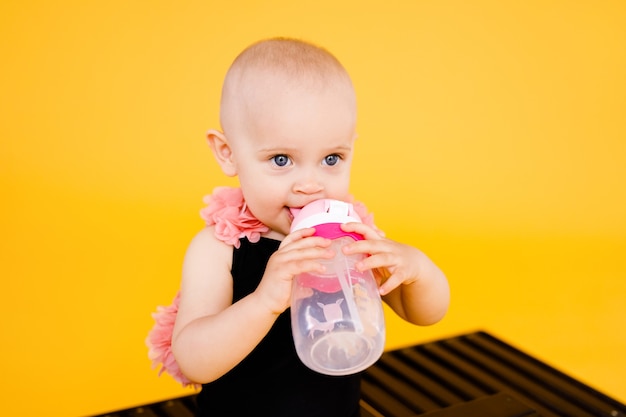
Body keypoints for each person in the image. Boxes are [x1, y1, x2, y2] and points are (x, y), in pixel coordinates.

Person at [151, 37, 450, 417]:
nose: (311, 184)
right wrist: (264, 301)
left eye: (331, 158)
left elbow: (424, 313)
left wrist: (417, 270)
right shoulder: (218, 247)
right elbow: (194, 360)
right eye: (281, 159)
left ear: (351, 150)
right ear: (228, 154)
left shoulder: (350, 235)